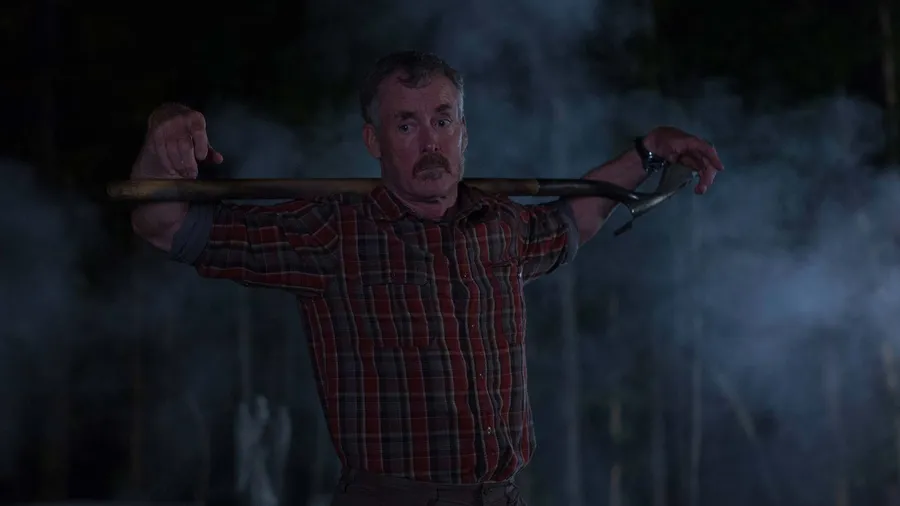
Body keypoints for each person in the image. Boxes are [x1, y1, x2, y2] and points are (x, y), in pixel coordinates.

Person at [130, 50, 723, 506]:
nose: (430, 142)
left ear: (464, 133)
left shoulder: (500, 225)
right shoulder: (333, 233)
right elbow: (165, 226)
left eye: (442, 120)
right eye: (406, 125)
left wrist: (649, 152)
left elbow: (578, 216)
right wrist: (162, 138)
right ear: (374, 141)